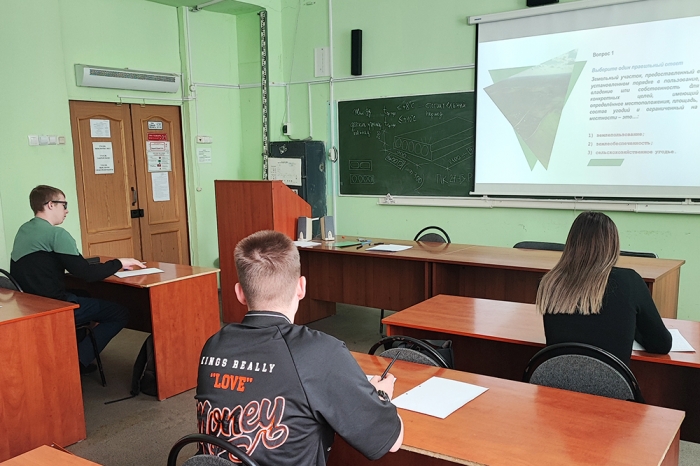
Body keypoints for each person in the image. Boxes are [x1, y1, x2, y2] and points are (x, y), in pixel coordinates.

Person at [196, 230, 403, 465]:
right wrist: (380, 395)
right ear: (301, 287)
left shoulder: (214, 345)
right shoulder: (321, 353)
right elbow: (391, 440)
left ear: (240, 293)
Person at [10, 185, 145, 373]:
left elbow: (51, 263)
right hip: (54, 306)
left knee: (83, 293)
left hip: (29, 303)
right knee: (119, 313)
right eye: (64, 205)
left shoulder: (24, 230)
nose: (67, 210)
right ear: (50, 205)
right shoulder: (56, 234)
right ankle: (77, 362)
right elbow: (86, 273)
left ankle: (70, 351)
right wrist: (119, 263)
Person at [535, 211, 672, 366]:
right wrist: (634, 328)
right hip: (611, 381)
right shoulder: (630, 282)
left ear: (571, 243)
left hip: (556, 379)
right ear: (613, 246)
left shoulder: (549, 283)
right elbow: (661, 344)